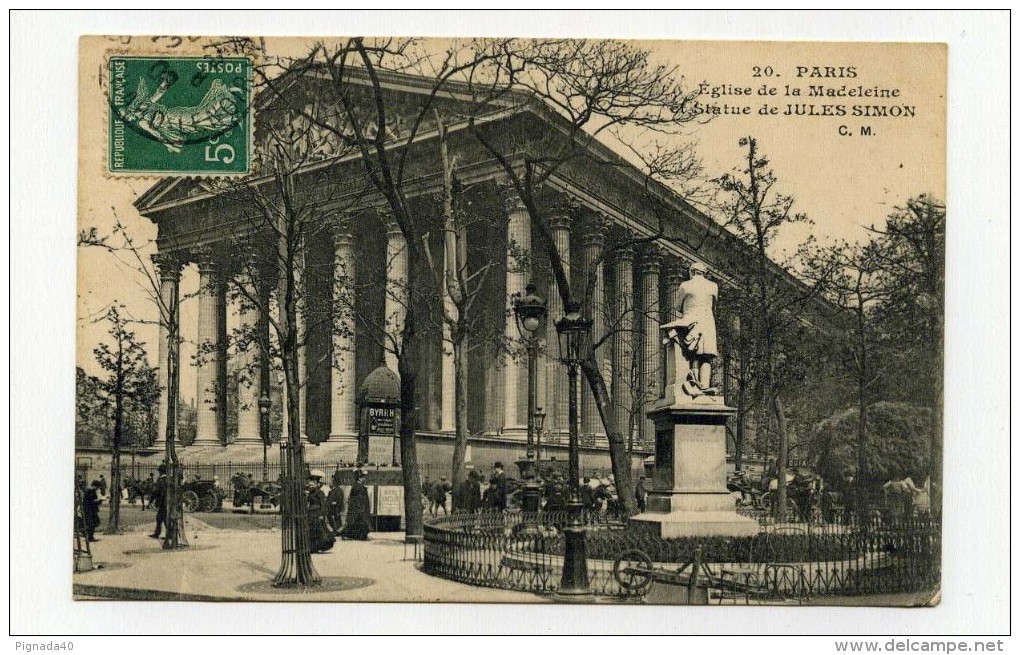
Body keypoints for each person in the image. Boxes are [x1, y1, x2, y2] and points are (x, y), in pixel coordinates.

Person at [305, 474, 334, 553]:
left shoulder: (320, 493)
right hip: (310, 513)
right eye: (309, 485)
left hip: (317, 513)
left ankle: (318, 546)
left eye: (312, 485)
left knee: (319, 531)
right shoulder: (310, 493)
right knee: (311, 530)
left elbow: (323, 504)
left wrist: (322, 514)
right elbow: (308, 503)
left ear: (316, 485)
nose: (310, 487)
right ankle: (312, 547)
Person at [340, 470, 372, 541]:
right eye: (363, 477)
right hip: (358, 508)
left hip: (359, 508)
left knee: (358, 523)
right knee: (357, 522)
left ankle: (361, 536)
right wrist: (360, 507)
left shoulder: (358, 485)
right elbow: (358, 498)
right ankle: (345, 534)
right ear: (359, 478)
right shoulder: (357, 486)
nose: (365, 478)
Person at [150, 464, 168, 539]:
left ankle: (167, 534)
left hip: (162, 501)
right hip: (168, 502)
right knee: (161, 518)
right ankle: (159, 533)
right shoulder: (169, 479)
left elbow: (156, 491)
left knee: (161, 518)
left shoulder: (160, 480)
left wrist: (152, 500)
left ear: (160, 472)